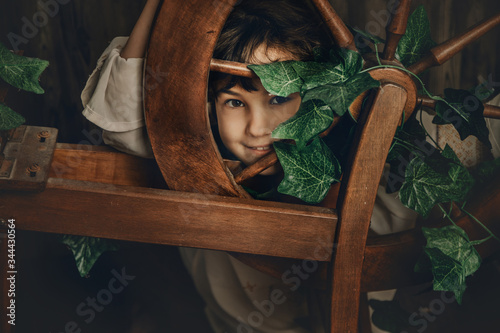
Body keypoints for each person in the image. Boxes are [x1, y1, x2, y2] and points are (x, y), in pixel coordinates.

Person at [81, 0, 500, 332]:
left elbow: (478, 144)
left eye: (279, 98)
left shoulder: (386, 167)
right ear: (207, 104)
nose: (257, 129)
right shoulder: (194, 151)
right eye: (234, 101)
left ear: (322, 97)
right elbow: (118, 121)